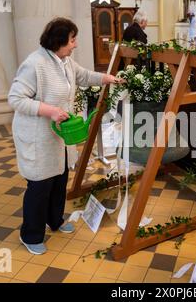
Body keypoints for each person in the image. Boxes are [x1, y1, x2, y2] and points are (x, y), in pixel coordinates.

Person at [8, 17, 123, 255]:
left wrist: (107, 79)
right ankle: (30, 234)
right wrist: (50, 111)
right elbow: (16, 99)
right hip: (37, 135)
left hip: (57, 135)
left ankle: (55, 220)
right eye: (72, 39)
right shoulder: (35, 64)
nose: (75, 44)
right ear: (58, 41)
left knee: (59, 179)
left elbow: (83, 76)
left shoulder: (65, 61)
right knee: (40, 185)